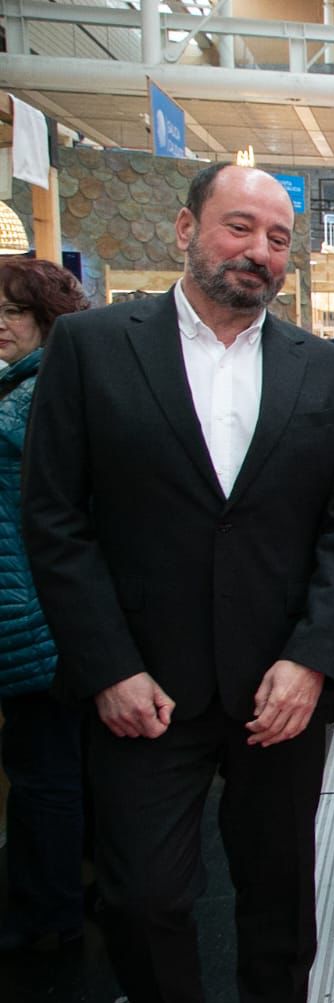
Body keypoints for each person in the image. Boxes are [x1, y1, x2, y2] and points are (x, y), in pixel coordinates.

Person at [22, 161, 334, 1003]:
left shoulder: (326, 370)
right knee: (141, 902)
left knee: (280, 907)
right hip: (143, 690)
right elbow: (55, 520)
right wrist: (108, 665)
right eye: (239, 227)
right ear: (186, 230)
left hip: (279, 692)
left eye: (277, 238)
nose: (258, 251)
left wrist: (313, 658)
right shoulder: (91, 348)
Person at [0, 259, 88, 953]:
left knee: (43, 772)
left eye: (14, 312)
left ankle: (49, 913)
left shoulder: (27, 401)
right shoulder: (34, 390)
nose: (1, 325)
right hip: (41, 608)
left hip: (31, 612)